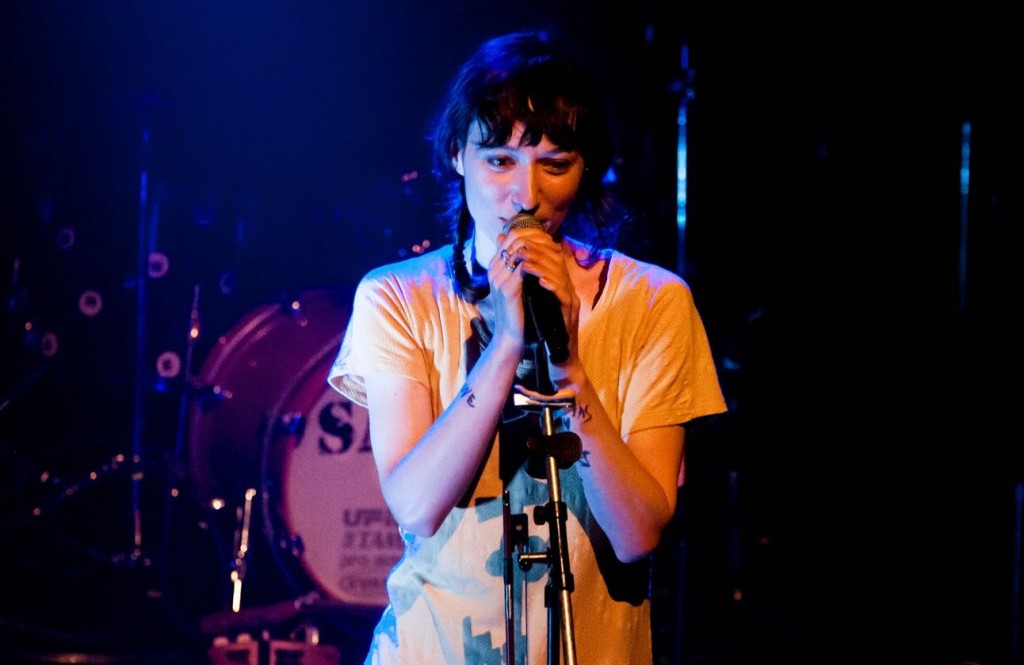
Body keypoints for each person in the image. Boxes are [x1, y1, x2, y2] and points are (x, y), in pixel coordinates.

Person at [328, 28, 727, 665]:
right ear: (457, 155)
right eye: (499, 161)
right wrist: (506, 347)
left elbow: (638, 534)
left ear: (585, 167)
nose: (527, 196)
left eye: (555, 164)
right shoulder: (398, 296)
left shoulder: (653, 301)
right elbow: (416, 506)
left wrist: (570, 370)